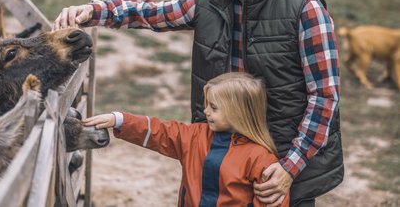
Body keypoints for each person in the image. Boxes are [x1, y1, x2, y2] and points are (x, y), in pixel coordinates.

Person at [52, 0, 343, 206]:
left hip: (277, 170)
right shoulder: (209, 1)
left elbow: (324, 97)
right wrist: (95, 11)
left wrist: (288, 168)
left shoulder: (305, 8)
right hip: (216, 162)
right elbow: (153, 13)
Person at [83, 72, 290, 207]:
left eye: (214, 107)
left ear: (238, 113)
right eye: (207, 104)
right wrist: (119, 120)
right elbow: (160, 131)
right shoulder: (195, 136)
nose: (206, 111)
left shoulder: (260, 159)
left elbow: (272, 203)